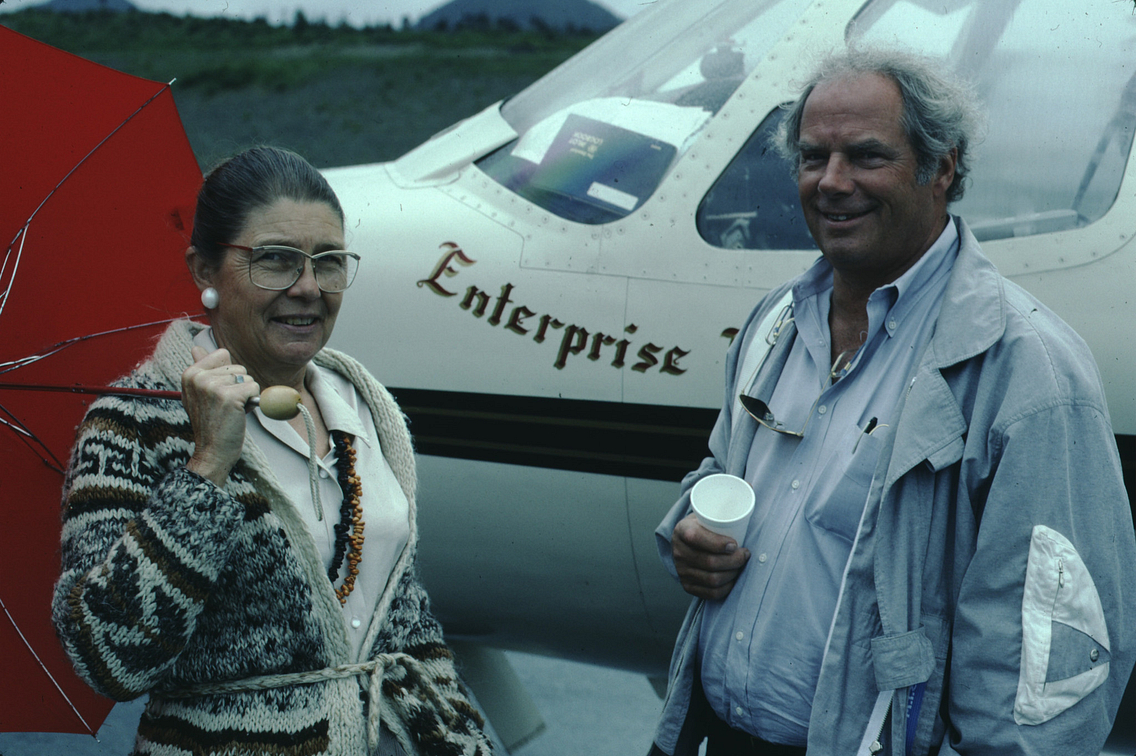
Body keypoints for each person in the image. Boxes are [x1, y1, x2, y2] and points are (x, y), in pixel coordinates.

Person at [650, 47, 1136, 755]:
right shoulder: (776, 322)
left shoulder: (1027, 370)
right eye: (813, 157)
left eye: (868, 157)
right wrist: (689, 533)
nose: (833, 182)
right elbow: (720, 479)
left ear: (943, 167)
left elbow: (1047, 661)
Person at [52, 146, 493, 756]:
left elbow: (402, 619)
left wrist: (466, 740)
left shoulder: (364, 403)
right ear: (204, 270)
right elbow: (109, 657)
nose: (308, 288)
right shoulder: (134, 423)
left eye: (329, 263)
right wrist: (205, 469)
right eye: (276, 261)